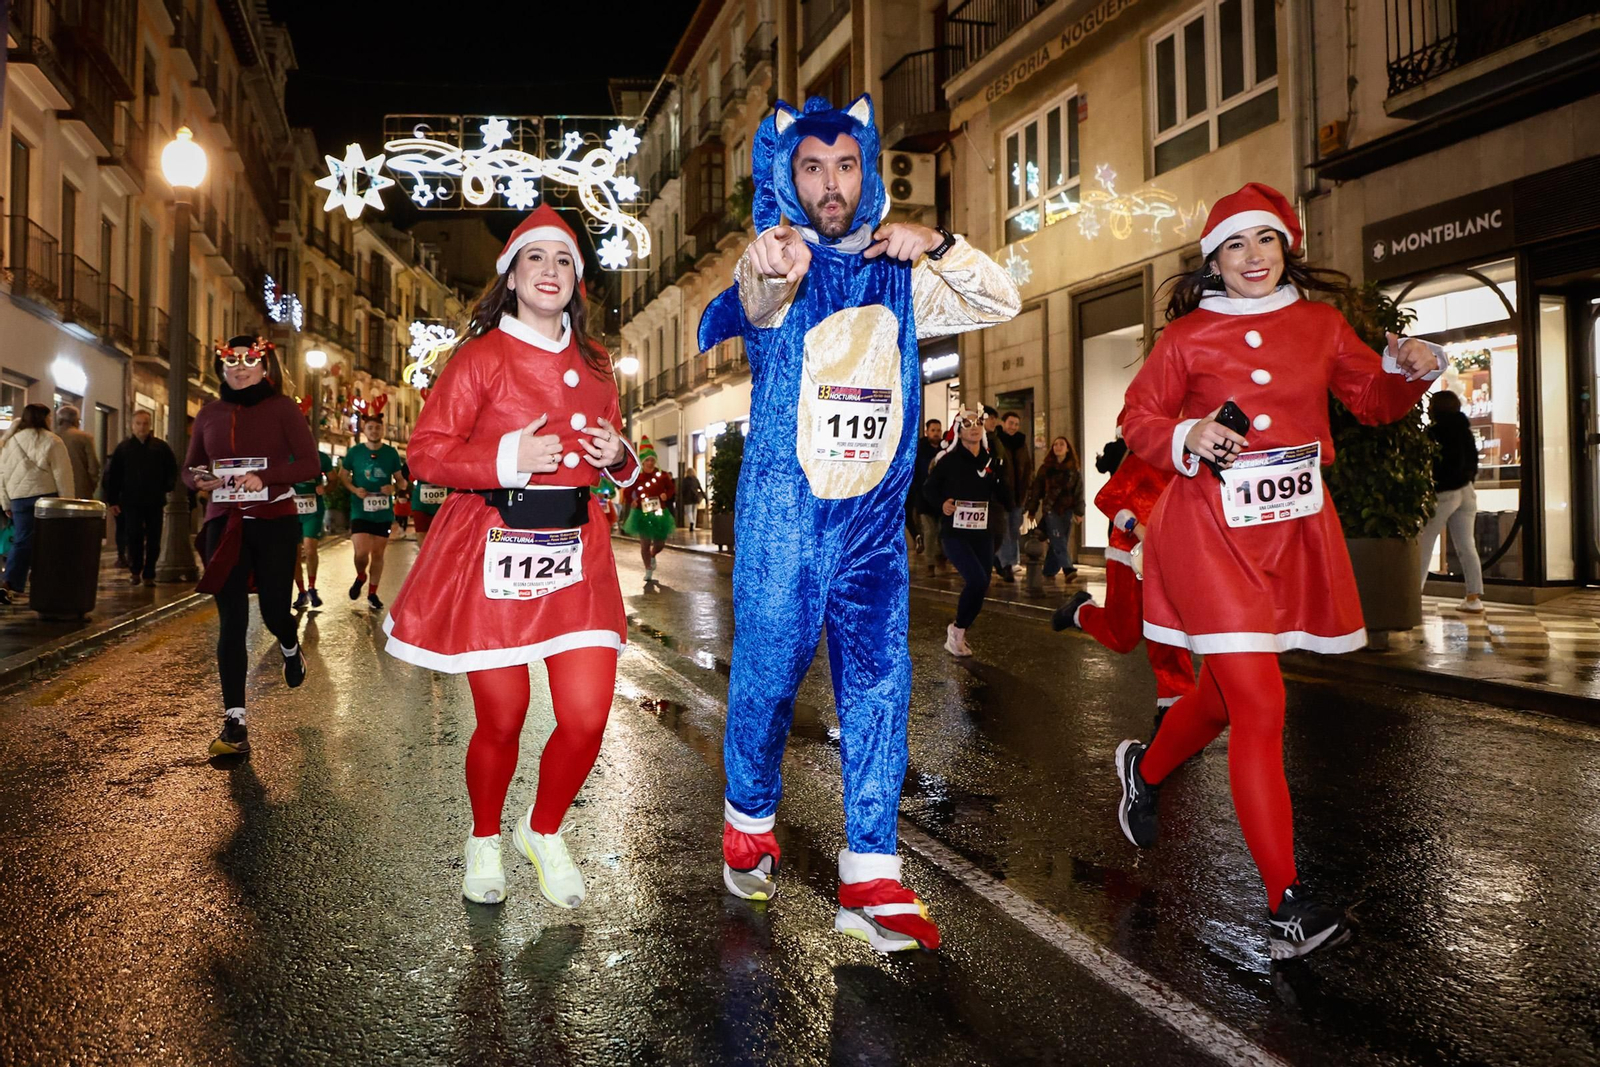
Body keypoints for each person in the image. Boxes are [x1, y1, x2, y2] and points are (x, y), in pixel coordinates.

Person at [696, 93, 1019, 952]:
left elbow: (1002, 298)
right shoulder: (783, 263)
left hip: (872, 527)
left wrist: (938, 243)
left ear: (867, 170)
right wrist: (768, 260)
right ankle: (749, 821)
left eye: (845, 165)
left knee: (879, 688)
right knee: (768, 679)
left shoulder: (902, 273)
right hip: (786, 522)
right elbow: (755, 292)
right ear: (788, 177)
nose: (831, 183)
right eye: (812, 167)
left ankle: (871, 874)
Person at [1114, 183, 1444, 960]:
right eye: (1235, 244)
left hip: (1289, 534)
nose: (1253, 256)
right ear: (1214, 262)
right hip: (1205, 532)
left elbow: (1373, 399)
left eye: (1264, 240)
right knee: (1260, 702)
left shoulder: (1321, 325)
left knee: (1223, 698)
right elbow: (1137, 417)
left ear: (1285, 247)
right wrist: (1189, 433)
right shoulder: (1187, 338)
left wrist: (1412, 369)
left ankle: (1145, 770)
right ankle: (1286, 905)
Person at [382, 204, 639, 909]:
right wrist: (507, 456)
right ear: (512, 276)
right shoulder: (480, 357)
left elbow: (615, 446)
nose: (550, 271)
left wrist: (617, 455)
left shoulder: (596, 363)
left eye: (563, 260)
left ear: (577, 279)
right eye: (535, 258)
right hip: (494, 547)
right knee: (504, 715)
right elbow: (426, 453)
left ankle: (543, 829)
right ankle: (484, 837)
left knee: (586, 715)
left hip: (576, 552)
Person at [184, 336, 320, 756]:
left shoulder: (283, 408)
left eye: (249, 362)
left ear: (264, 366)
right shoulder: (209, 413)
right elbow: (189, 467)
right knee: (232, 622)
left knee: (275, 611)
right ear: (222, 368)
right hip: (224, 525)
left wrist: (268, 477)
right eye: (232, 362)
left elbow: (310, 463)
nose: (240, 369)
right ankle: (235, 722)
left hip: (274, 522)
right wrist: (199, 479)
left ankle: (290, 647)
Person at [1053, 427, 1196, 735]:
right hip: (1129, 557)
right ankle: (1080, 611)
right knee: (1123, 637)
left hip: (1170, 560)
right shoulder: (1143, 460)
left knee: (1168, 635)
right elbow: (1106, 498)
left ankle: (1175, 708)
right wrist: (1137, 527)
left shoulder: (1194, 464)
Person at [923, 409, 1012, 657]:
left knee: (982, 585)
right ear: (959, 431)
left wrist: (1000, 478)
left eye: (978, 423)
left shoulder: (990, 461)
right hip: (954, 533)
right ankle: (957, 630)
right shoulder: (948, 461)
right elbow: (928, 489)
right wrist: (942, 504)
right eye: (968, 423)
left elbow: (1006, 497)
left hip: (983, 533)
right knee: (977, 580)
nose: (974, 427)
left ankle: (959, 630)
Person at [1418, 388, 1484, 613]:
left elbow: (1433, 464)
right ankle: (1473, 598)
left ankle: (1413, 595)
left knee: (1425, 542)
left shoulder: (1435, 432)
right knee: (1467, 545)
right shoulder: (1465, 431)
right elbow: (1472, 461)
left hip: (1445, 492)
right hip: (1467, 490)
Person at [0, 404, 73, 604]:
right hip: (46, 498)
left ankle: (9, 583)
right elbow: (62, 474)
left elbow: (2, 474)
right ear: (44, 418)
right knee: (49, 542)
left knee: (22, 540)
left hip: (18, 498)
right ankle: (43, 582)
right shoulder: (53, 441)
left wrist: (5, 502)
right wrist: (67, 502)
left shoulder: (10, 441)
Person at [102, 410, 179, 587]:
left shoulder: (160, 447)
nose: (141, 427)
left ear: (150, 425)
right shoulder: (123, 449)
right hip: (131, 501)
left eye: (145, 423)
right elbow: (114, 476)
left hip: (154, 500)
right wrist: (113, 500)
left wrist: (167, 486)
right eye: (138, 423)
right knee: (133, 536)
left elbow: (171, 469)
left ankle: (149, 573)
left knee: (154, 538)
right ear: (132, 425)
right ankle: (135, 570)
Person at [340, 414, 405, 611]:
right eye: (370, 428)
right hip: (360, 509)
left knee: (378, 554)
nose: (374, 431)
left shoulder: (391, 453)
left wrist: (393, 488)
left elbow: (401, 481)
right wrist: (354, 490)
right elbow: (343, 476)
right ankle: (361, 576)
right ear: (364, 430)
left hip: (382, 512)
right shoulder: (355, 452)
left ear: (382, 430)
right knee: (361, 553)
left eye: (377, 428)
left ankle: (372, 593)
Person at [1025, 435, 1084, 580]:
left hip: (1067, 509)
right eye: (1055, 444)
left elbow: (1078, 492)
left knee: (1059, 540)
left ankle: (1049, 570)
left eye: (1061, 444)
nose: (1058, 447)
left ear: (1068, 449)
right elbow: (1037, 490)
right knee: (1058, 538)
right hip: (1051, 509)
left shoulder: (1073, 471)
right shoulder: (1046, 469)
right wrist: (1032, 509)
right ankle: (1068, 568)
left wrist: (1079, 511)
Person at [621, 439, 675, 583]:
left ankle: (653, 554)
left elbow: (671, 488)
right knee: (644, 543)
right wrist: (631, 501)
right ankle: (648, 569)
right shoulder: (637, 476)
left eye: (652, 460)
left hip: (659, 513)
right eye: (647, 460)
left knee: (660, 542)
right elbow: (627, 491)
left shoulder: (662, 475)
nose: (650, 463)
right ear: (642, 462)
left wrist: (666, 495)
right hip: (642, 513)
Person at [292, 448, 335, 610]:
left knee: (310, 549)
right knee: (294, 555)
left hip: (313, 510)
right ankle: (301, 592)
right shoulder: (286, 455)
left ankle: (312, 588)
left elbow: (334, 480)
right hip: (291, 511)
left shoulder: (321, 457)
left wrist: (326, 488)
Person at [994, 410, 1033, 575]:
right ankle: (1006, 562)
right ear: (1003, 423)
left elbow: (1028, 468)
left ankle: (1013, 560)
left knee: (1014, 529)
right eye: (1010, 423)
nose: (1013, 427)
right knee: (1004, 530)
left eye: (1016, 424)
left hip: (1018, 495)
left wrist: (1027, 491)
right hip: (1002, 495)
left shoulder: (1021, 443)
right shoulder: (997, 441)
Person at [910, 418, 945, 574]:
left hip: (942, 497)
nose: (936, 433)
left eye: (938, 430)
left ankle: (941, 555)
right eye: (933, 430)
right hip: (924, 498)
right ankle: (930, 563)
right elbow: (916, 473)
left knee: (942, 530)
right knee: (930, 530)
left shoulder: (945, 450)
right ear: (927, 432)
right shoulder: (920, 450)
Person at [54, 404, 101, 500]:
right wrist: (90, 486)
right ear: (76, 420)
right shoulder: (85, 438)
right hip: (80, 490)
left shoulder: (51, 437)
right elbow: (93, 467)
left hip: (55, 491)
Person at [408, 463, 447, 550]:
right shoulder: (419, 455)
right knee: (422, 537)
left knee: (444, 538)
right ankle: (426, 557)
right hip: (421, 503)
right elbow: (410, 475)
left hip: (446, 503)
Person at [679, 467, 705, 534]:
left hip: (688, 498)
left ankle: (691, 522)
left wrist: (682, 497)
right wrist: (704, 496)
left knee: (688, 511)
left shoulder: (685, 480)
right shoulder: (696, 480)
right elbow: (700, 488)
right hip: (695, 497)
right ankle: (693, 526)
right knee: (694, 512)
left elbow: (683, 489)